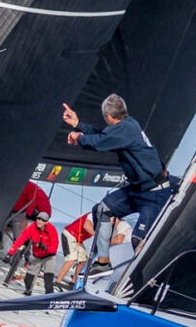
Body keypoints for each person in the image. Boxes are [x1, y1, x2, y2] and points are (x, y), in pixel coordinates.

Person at [62, 96, 171, 263]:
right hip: (137, 190)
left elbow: (100, 142)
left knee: (138, 241)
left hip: (154, 195)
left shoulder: (127, 129)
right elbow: (103, 135)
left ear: (108, 116)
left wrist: (79, 138)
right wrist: (78, 124)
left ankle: (144, 273)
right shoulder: (125, 126)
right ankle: (103, 263)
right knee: (102, 210)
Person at [4, 211, 63, 295]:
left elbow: (54, 248)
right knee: (28, 279)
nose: (39, 221)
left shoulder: (51, 230)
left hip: (49, 256)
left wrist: (45, 247)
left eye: (42, 220)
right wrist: (10, 253)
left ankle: (49, 296)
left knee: (48, 279)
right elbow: (21, 239)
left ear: (46, 222)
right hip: (36, 256)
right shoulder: (32, 228)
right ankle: (28, 292)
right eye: (38, 218)